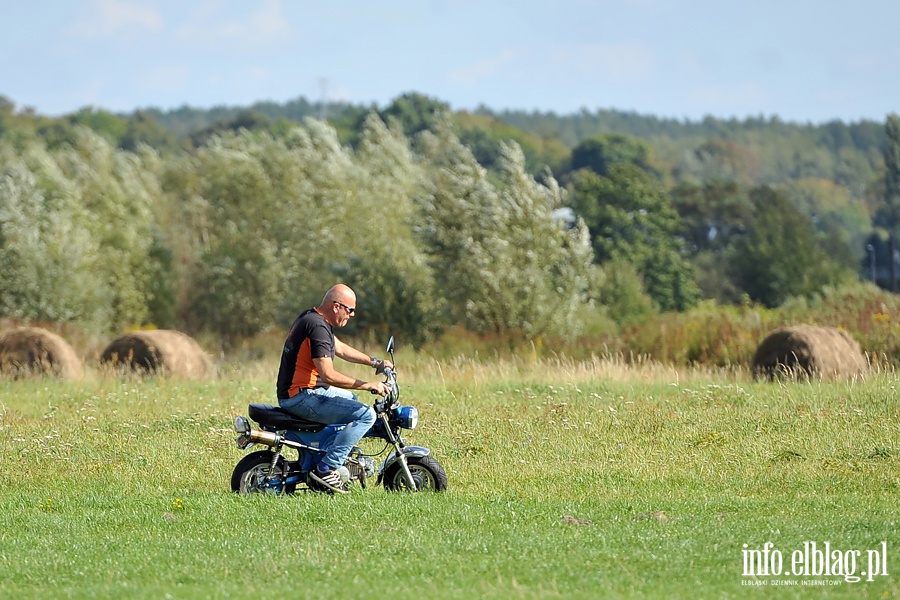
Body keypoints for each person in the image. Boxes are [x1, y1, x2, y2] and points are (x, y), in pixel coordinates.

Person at [276, 284, 393, 494]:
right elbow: (328, 375)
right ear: (336, 306)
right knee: (366, 415)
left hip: (301, 392)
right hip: (302, 396)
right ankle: (326, 468)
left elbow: (340, 348)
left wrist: (375, 362)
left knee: (351, 398)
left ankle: (326, 452)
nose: (352, 315)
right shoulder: (318, 326)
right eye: (350, 309)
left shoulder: (314, 319)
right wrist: (368, 385)